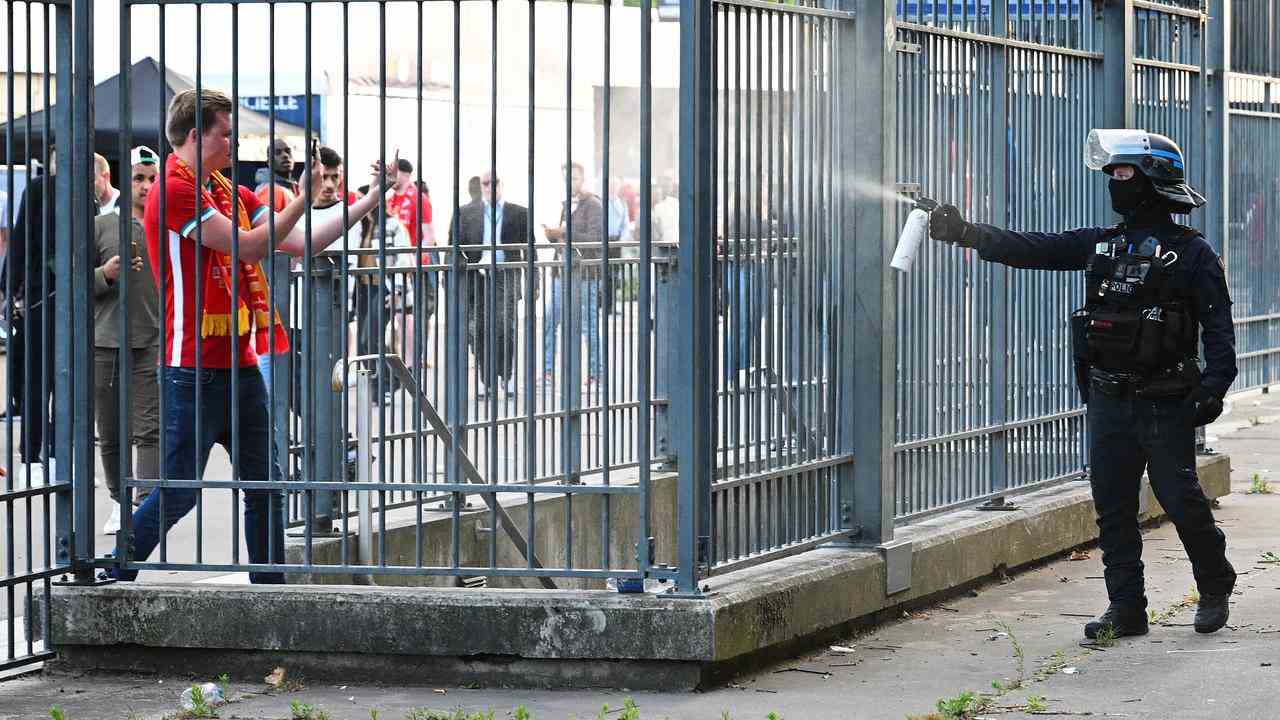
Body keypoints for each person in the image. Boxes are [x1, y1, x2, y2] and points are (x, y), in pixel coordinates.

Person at [929, 129, 1237, 637]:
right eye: (1110, 173)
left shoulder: (1192, 253)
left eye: (1122, 173)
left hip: (1163, 400)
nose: (1113, 182)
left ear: (1152, 179)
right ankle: (1127, 607)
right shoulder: (1103, 244)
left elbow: (1218, 328)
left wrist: (1213, 388)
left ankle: (1214, 582)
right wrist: (966, 233)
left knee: (1179, 498)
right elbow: (1035, 248)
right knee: (1112, 506)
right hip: (1108, 397)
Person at [111, 88, 389, 584]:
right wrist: (303, 197)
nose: (234, 142)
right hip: (190, 366)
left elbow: (299, 242)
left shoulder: (229, 192)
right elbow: (252, 248)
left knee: (265, 486)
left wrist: (369, 200)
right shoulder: (173, 191)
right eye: (226, 133)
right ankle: (115, 570)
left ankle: (270, 590)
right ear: (197, 136)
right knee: (179, 491)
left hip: (238, 363)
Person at [92, 147, 161, 534]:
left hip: (152, 337)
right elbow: (73, 281)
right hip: (106, 340)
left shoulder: (168, 224)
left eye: (152, 178)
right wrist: (106, 272)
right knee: (111, 429)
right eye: (138, 178)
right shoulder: (104, 225)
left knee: (149, 427)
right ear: (125, 180)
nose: (146, 186)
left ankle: (144, 504)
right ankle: (120, 499)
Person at [450, 171, 533, 398]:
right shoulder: (466, 213)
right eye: (485, 184)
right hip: (476, 276)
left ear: (502, 184)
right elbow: (453, 248)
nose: (489, 187)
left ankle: (505, 375)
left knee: (504, 327)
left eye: (493, 183)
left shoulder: (519, 213)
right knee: (477, 330)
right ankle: (486, 379)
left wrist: (532, 284)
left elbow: (530, 250)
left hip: (505, 275)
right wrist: (453, 286)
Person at [543, 162, 604, 390]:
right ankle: (548, 372)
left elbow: (595, 239)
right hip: (562, 273)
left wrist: (564, 233)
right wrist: (553, 236)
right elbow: (565, 237)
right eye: (566, 179)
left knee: (589, 325)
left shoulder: (593, 205)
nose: (570, 183)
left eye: (574, 179)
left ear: (583, 179)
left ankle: (595, 374)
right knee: (551, 319)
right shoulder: (568, 205)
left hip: (585, 275)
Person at [387, 158, 436, 371]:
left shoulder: (419, 198)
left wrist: (413, 263)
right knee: (400, 316)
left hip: (415, 268)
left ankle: (413, 360)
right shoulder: (390, 199)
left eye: (394, 172)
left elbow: (429, 236)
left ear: (405, 174)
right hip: (394, 268)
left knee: (414, 315)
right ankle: (405, 358)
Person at [254, 138, 299, 212]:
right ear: (269, 162)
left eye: (288, 151)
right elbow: (267, 223)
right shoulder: (270, 190)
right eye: (278, 153)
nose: (285, 155)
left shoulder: (295, 187)